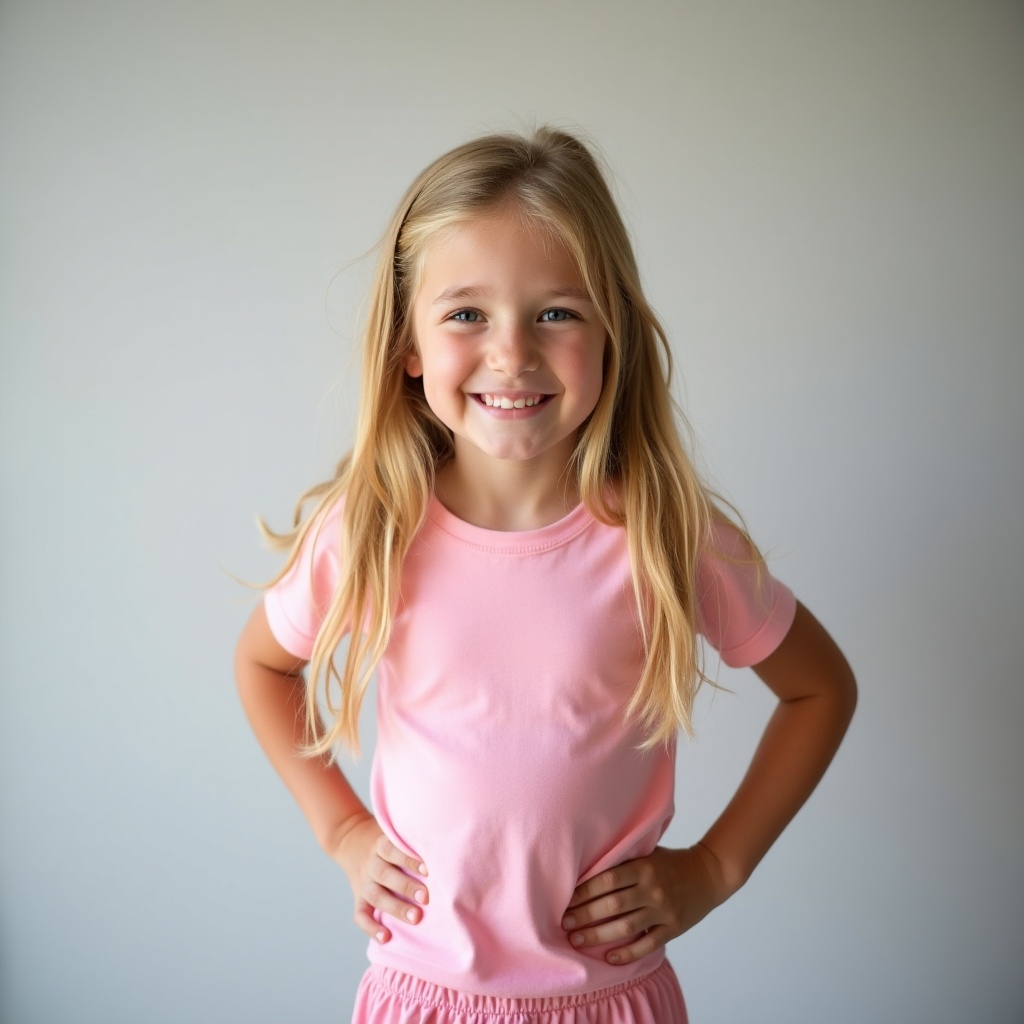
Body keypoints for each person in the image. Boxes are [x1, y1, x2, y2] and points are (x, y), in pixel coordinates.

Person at [235, 126, 857, 1024]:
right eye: (466, 314)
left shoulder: (667, 534)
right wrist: (341, 830)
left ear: (613, 333)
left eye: (556, 312)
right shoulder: (371, 527)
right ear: (408, 345)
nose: (512, 353)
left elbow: (820, 690)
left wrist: (716, 868)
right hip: (422, 996)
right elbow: (263, 666)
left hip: (612, 1001)